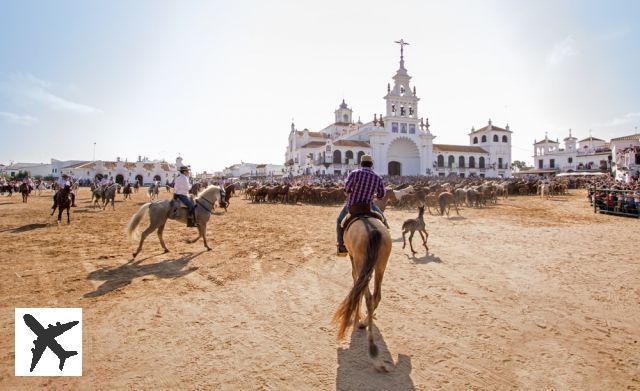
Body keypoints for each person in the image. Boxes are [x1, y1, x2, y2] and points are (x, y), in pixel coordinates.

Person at [336, 154, 388, 256]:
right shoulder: (377, 177)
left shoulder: (354, 173)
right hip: (368, 206)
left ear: (361, 163)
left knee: (339, 221)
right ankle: (386, 237)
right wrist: (374, 196)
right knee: (383, 219)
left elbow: (346, 189)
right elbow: (382, 194)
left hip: (353, 206)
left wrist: (351, 192)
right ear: (371, 164)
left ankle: (341, 246)